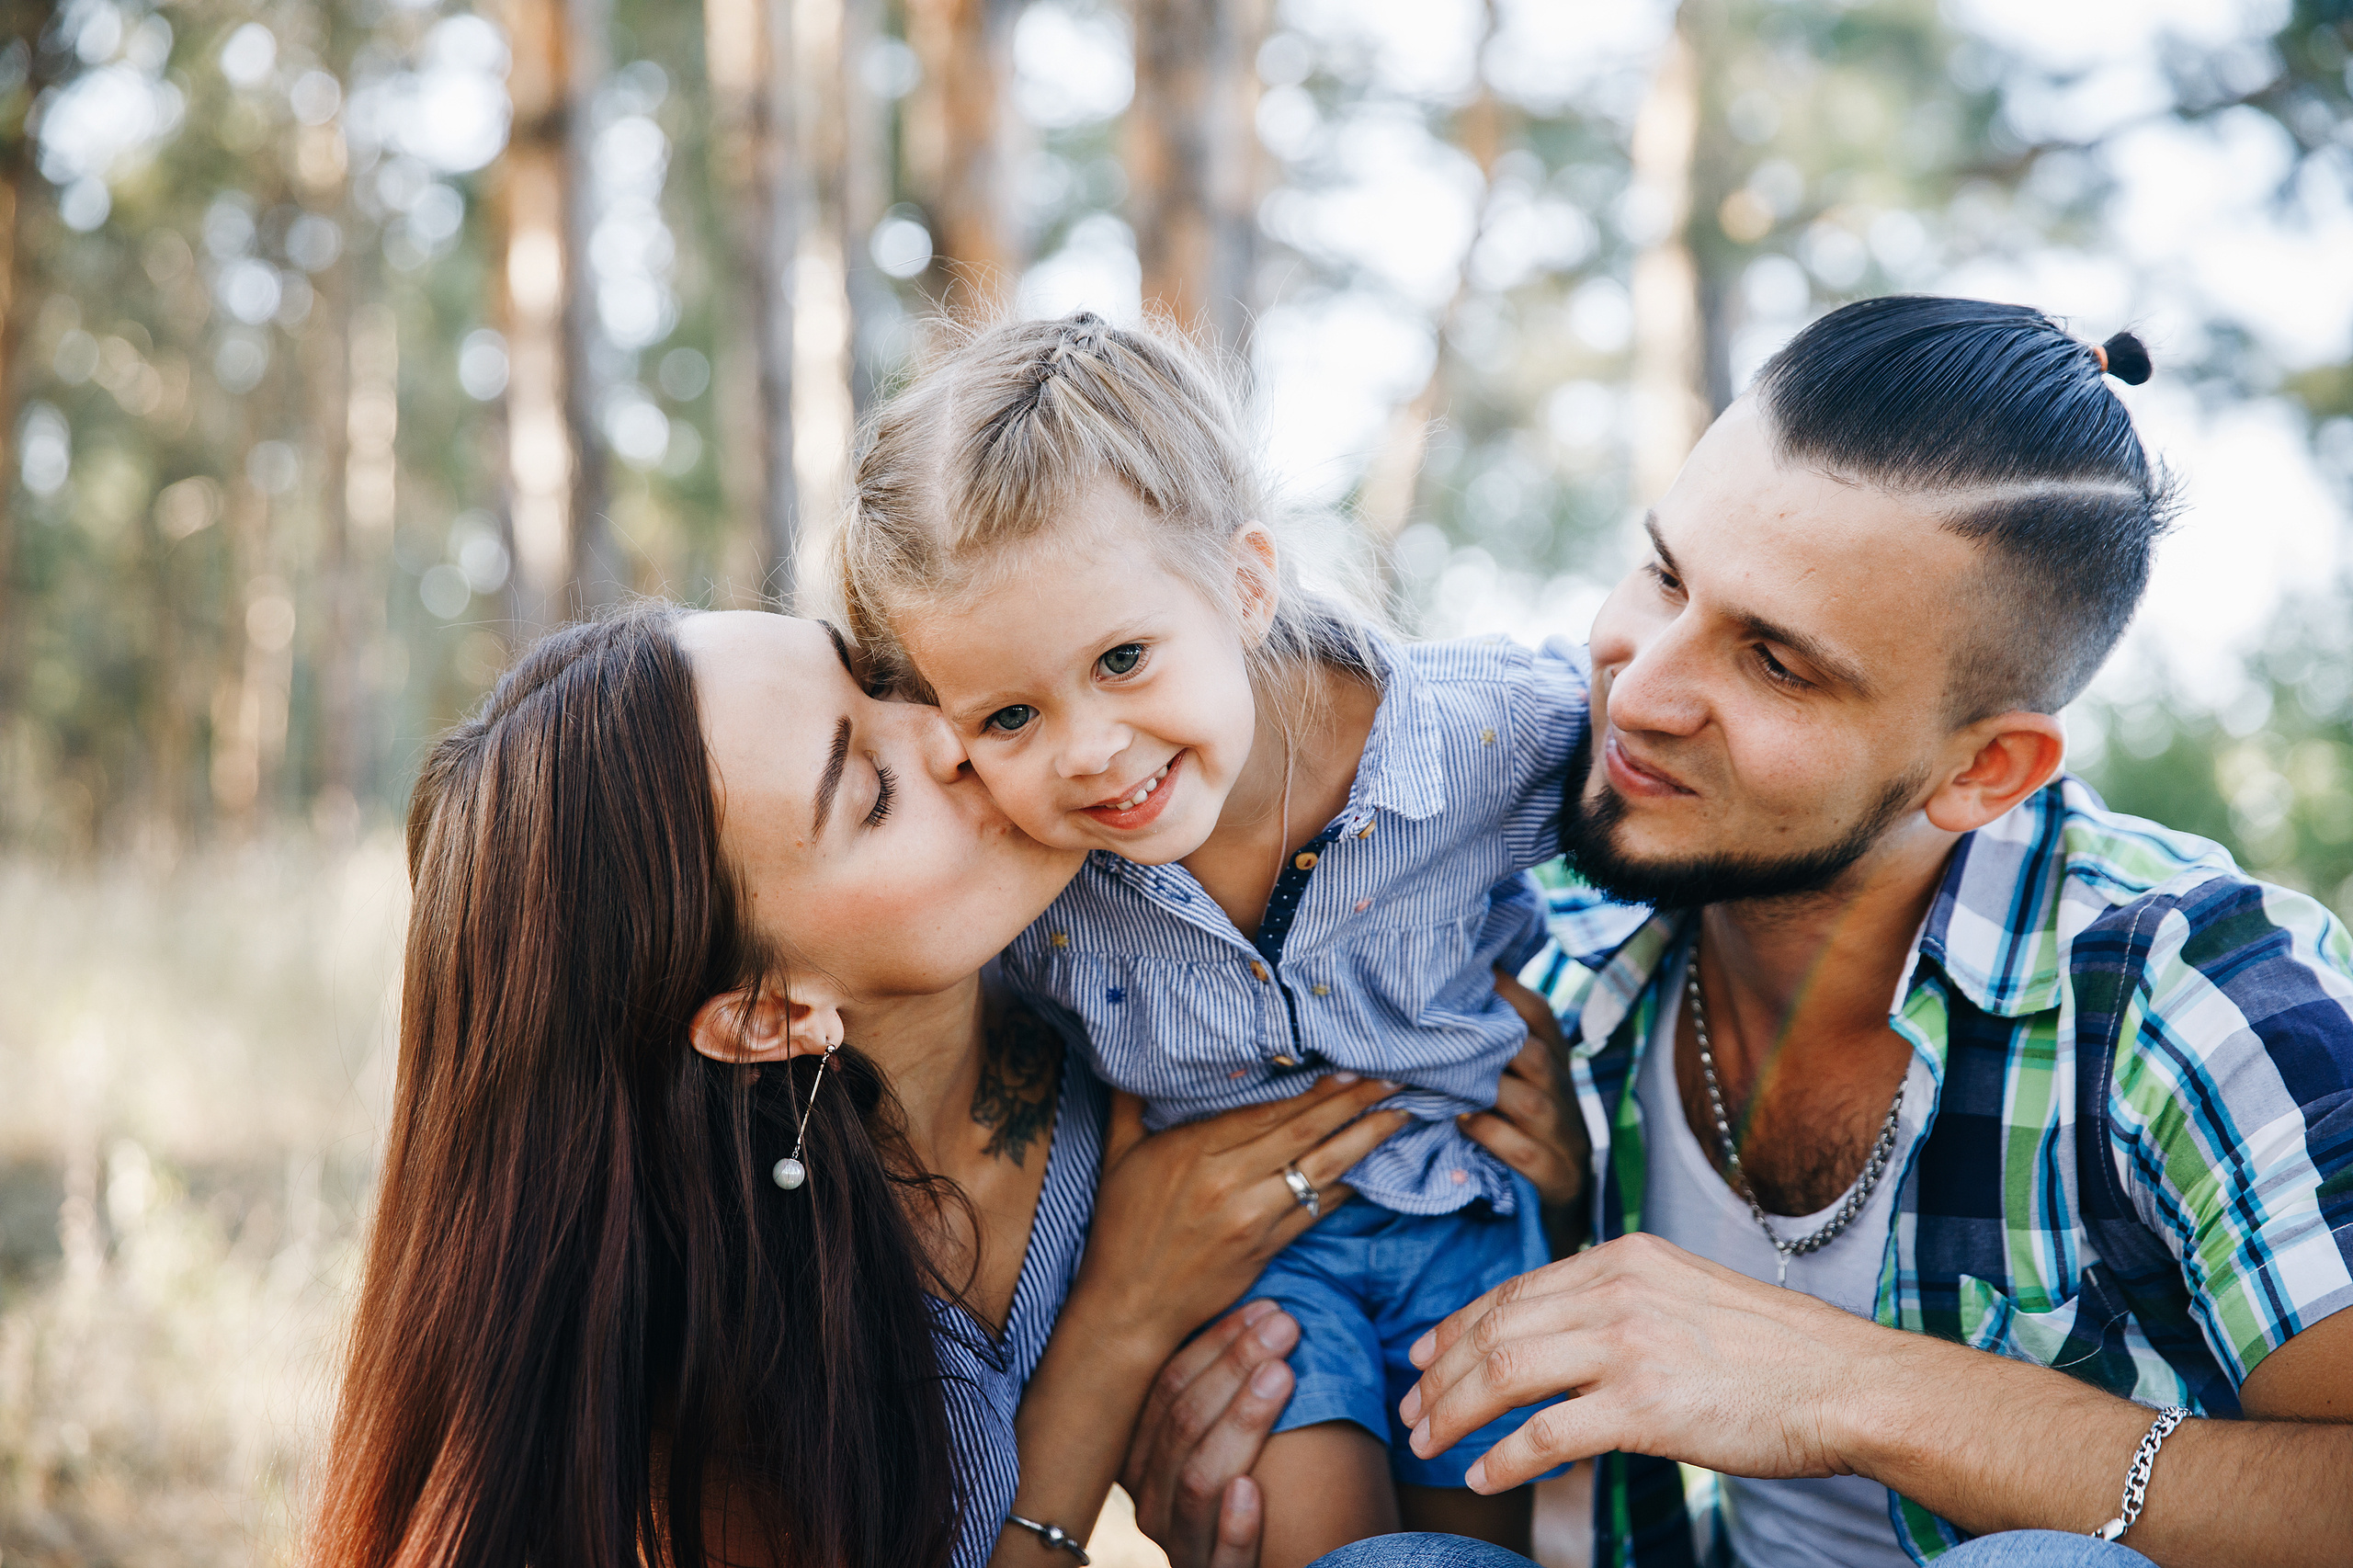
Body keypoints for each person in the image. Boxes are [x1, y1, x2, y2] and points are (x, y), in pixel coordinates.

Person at [1128, 297, 2353, 1567]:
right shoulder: (1531, 946)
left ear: (1986, 768)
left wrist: (1846, 1386)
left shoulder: (2188, 988)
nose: (1639, 688)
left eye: (1775, 661)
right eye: (1664, 572)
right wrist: (1226, 1423)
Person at [306, 603, 1585, 1568]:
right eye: (870, 786)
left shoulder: (1135, 989)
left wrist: (1545, 1160)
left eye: (876, 678)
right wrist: (1115, 1333)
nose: (952, 736)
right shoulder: (721, 1323)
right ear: (767, 1013)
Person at [837, 312, 1586, 1566]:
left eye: (1124, 656)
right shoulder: (1034, 872)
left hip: (1469, 1223)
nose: (1088, 748)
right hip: (1255, 1279)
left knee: (1475, 1551)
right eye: (1012, 713)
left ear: (1245, 583)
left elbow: (1671, 782)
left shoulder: (1475, 738)